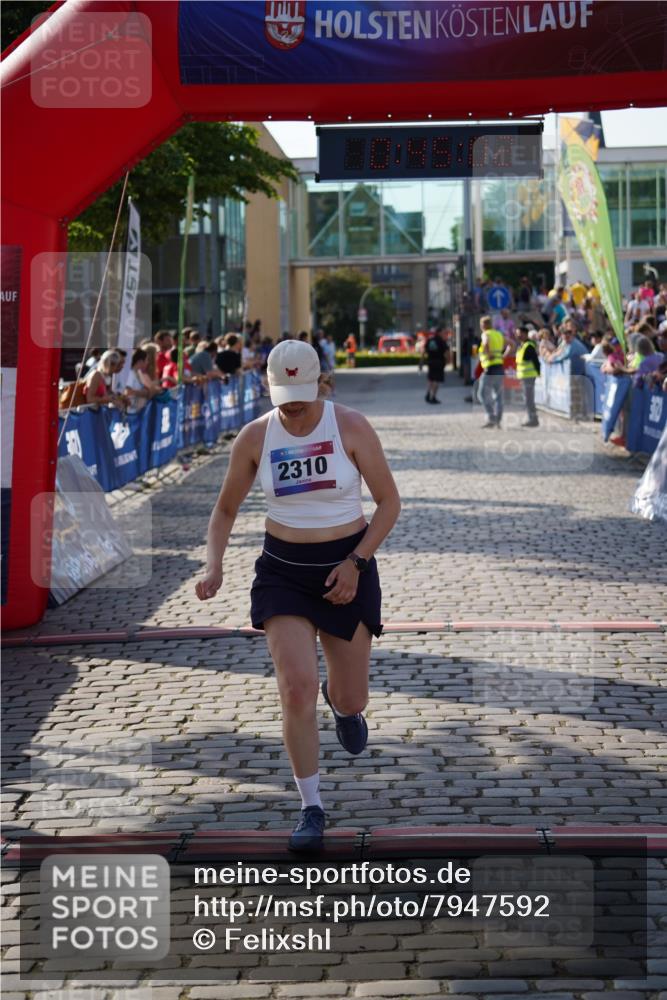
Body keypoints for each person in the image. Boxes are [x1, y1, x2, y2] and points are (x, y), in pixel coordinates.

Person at [195, 340, 400, 853]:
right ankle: (311, 807)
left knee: (349, 695)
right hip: (283, 572)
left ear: (319, 385)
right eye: (284, 399)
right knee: (296, 687)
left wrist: (357, 563)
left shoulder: (350, 426)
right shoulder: (255, 437)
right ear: (270, 390)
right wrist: (213, 562)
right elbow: (224, 511)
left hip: (345, 570)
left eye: (302, 400)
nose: (293, 410)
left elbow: (390, 502)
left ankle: (346, 709)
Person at [478, 315, 509, 428]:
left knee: (482, 394)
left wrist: (489, 354)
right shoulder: (498, 334)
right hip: (500, 367)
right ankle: (498, 420)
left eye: (481, 325)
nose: (481, 327)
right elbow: (512, 344)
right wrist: (503, 356)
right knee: (498, 396)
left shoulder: (486, 334)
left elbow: (486, 343)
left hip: (490, 368)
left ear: (484, 325)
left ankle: (492, 418)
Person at [514, 325, 541, 427]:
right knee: (527, 398)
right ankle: (532, 418)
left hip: (529, 376)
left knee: (529, 399)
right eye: (517, 334)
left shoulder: (528, 346)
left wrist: (538, 373)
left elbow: (535, 361)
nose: (518, 336)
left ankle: (533, 419)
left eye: (519, 334)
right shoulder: (522, 345)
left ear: (525, 334)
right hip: (524, 376)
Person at [122, 347, 158, 412]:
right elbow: (127, 391)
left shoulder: (139, 373)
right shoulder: (130, 374)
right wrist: (145, 393)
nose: (148, 362)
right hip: (130, 412)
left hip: (137, 412)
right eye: (146, 360)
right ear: (140, 361)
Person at [423, 328, 448, 405]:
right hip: (439, 362)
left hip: (430, 362)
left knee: (431, 378)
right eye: (443, 332)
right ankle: (433, 397)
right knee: (436, 380)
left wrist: (421, 362)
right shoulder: (441, 341)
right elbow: (447, 353)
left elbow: (424, 351)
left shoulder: (430, 340)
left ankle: (428, 393)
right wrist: (447, 362)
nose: (444, 334)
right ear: (439, 333)